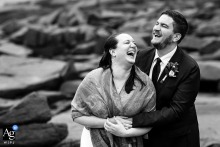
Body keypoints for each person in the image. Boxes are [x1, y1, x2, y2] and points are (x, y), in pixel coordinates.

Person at [105, 10, 200, 147]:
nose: (156, 28)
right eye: (157, 23)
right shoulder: (140, 57)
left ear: (176, 37)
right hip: (142, 137)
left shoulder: (189, 67)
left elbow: (176, 111)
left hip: (175, 139)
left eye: (164, 26)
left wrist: (133, 120)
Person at [71, 33, 156, 147]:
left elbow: (149, 121)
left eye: (134, 43)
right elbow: (77, 115)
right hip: (92, 140)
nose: (133, 45)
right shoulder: (94, 79)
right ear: (113, 52)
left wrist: (125, 133)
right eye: (127, 42)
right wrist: (109, 122)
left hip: (130, 142)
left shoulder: (144, 83)